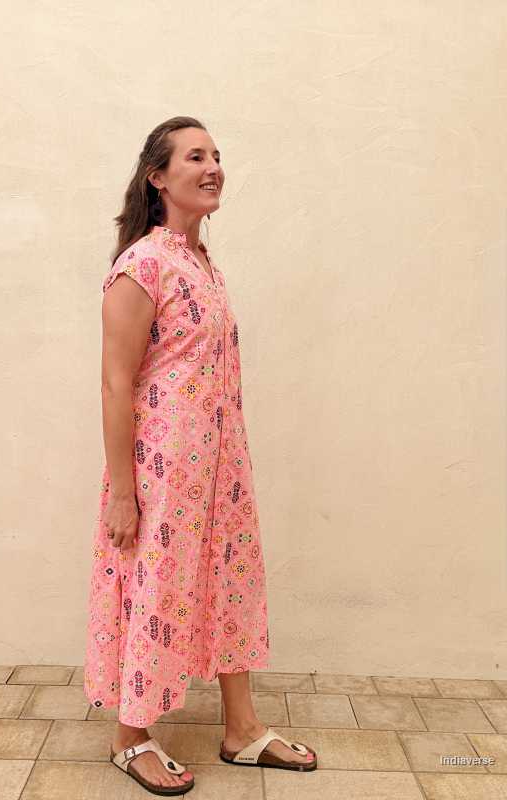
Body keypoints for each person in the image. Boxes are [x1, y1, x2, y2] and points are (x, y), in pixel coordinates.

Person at [83, 116, 317, 795]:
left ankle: (241, 728)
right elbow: (115, 382)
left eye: (216, 155)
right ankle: (130, 736)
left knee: (231, 582)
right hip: (163, 472)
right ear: (158, 177)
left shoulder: (204, 265)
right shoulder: (142, 265)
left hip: (221, 469)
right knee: (156, 590)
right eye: (195, 157)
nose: (213, 167)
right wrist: (123, 491)